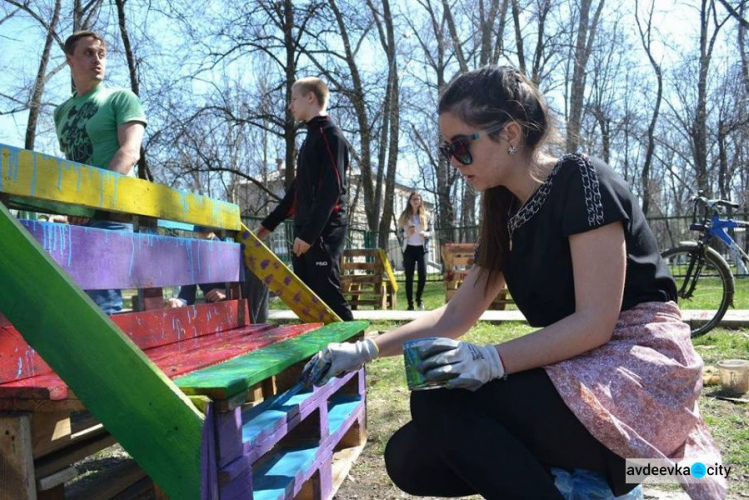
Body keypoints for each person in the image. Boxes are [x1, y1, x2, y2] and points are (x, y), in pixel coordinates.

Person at [300, 66, 725, 499]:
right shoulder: (503, 210)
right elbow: (455, 315)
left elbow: (596, 323)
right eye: (446, 148)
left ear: (510, 133)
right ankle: (587, 484)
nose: (452, 161)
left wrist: (490, 361)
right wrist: (363, 350)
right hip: (583, 369)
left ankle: (603, 481)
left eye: (461, 146)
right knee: (410, 458)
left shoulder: (582, 180)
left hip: (640, 367)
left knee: (436, 405)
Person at [54, 30, 147, 314]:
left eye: (102, 54)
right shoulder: (62, 112)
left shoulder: (120, 98)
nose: (97, 60)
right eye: (88, 53)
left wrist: (92, 201)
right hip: (78, 217)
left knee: (103, 307)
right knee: (76, 307)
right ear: (70, 60)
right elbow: (72, 161)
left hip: (110, 212)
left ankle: (113, 359)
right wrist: (69, 204)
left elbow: (130, 152)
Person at [256, 77, 353, 321]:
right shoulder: (310, 137)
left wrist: (310, 235)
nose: (290, 106)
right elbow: (298, 190)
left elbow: (332, 188)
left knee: (327, 295)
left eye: (293, 99)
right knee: (307, 299)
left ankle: (357, 354)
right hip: (304, 232)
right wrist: (269, 224)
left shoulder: (331, 136)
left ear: (310, 98)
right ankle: (321, 357)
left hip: (323, 231)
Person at [397, 191, 432, 311]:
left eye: (418, 199)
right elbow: (399, 233)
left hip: (422, 249)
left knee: (423, 274)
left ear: (421, 201)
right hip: (409, 248)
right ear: (410, 201)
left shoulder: (426, 215)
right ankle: (410, 304)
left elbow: (432, 231)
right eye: (413, 199)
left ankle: (419, 299)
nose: (416, 201)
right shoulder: (404, 215)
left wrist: (426, 233)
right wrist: (406, 234)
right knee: (409, 277)